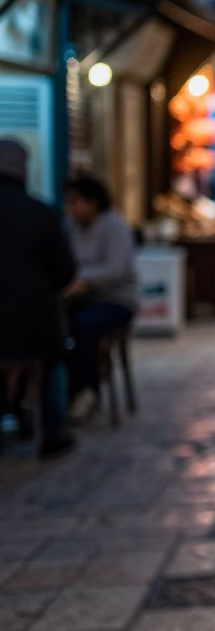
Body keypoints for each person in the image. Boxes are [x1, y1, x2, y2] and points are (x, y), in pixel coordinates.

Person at [0, 140, 78, 457]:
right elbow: (64, 272)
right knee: (52, 361)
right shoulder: (41, 213)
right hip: (34, 321)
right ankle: (53, 434)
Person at [63, 175, 137, 421]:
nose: (71, 208)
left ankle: (87, 390)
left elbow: (116, 269)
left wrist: (83, 280)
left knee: (84, 325)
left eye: (75, 201)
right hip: (81, 299)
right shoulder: (70, 227)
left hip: (116, 300)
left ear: (93, 202)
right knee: (58, 326)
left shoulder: (114, 226)